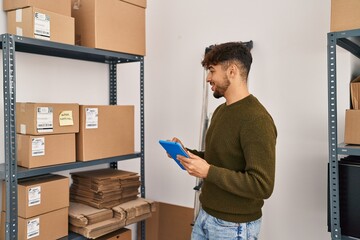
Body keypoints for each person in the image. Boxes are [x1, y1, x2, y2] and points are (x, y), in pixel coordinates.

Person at [170, 42, 277, 240]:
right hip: (206, 215)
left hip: (233, 226)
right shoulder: (221, 111)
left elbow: (262, 185)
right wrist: (185, 153)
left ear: (232, 71)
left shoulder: (256, 119)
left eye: (212, 71)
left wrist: (208, 171)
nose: (208, 78)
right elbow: (217, 159)